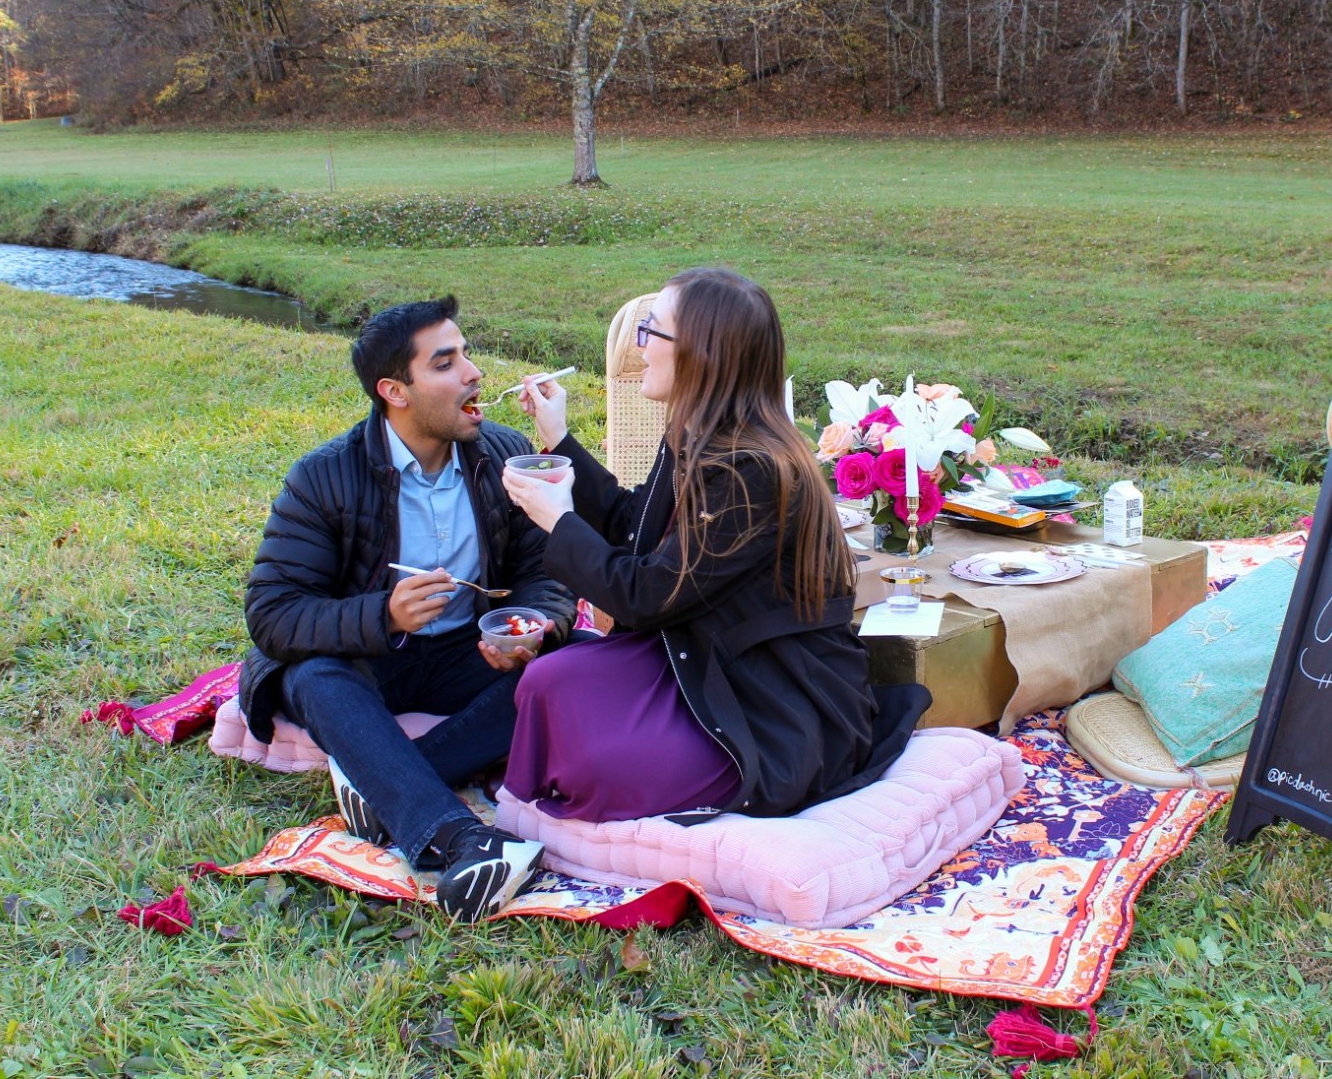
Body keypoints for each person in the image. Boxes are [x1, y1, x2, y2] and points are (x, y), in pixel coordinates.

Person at [500, 268, 930, 824]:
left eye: (653, 332)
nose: (642, 348)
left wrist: (558, 522)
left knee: (596, 766)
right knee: (548, 682)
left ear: (702, 354)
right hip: (700, 650)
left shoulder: (755, 472)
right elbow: (636, 527)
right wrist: (559, 438)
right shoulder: (696, 432)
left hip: (766, 693)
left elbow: (648, 595)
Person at [240, 295, 577, 922]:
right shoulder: (324, 477)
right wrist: (383, 615)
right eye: (446, 363)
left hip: (466, 658)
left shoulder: (503, 454)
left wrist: (535, 628)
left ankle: (388, 782)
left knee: (586, 665)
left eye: (466, 354)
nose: (473, 373)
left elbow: (544, 573)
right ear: (395, 390)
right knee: (312, 675)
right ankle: (463, 841)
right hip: (366, 662)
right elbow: (273, 613)